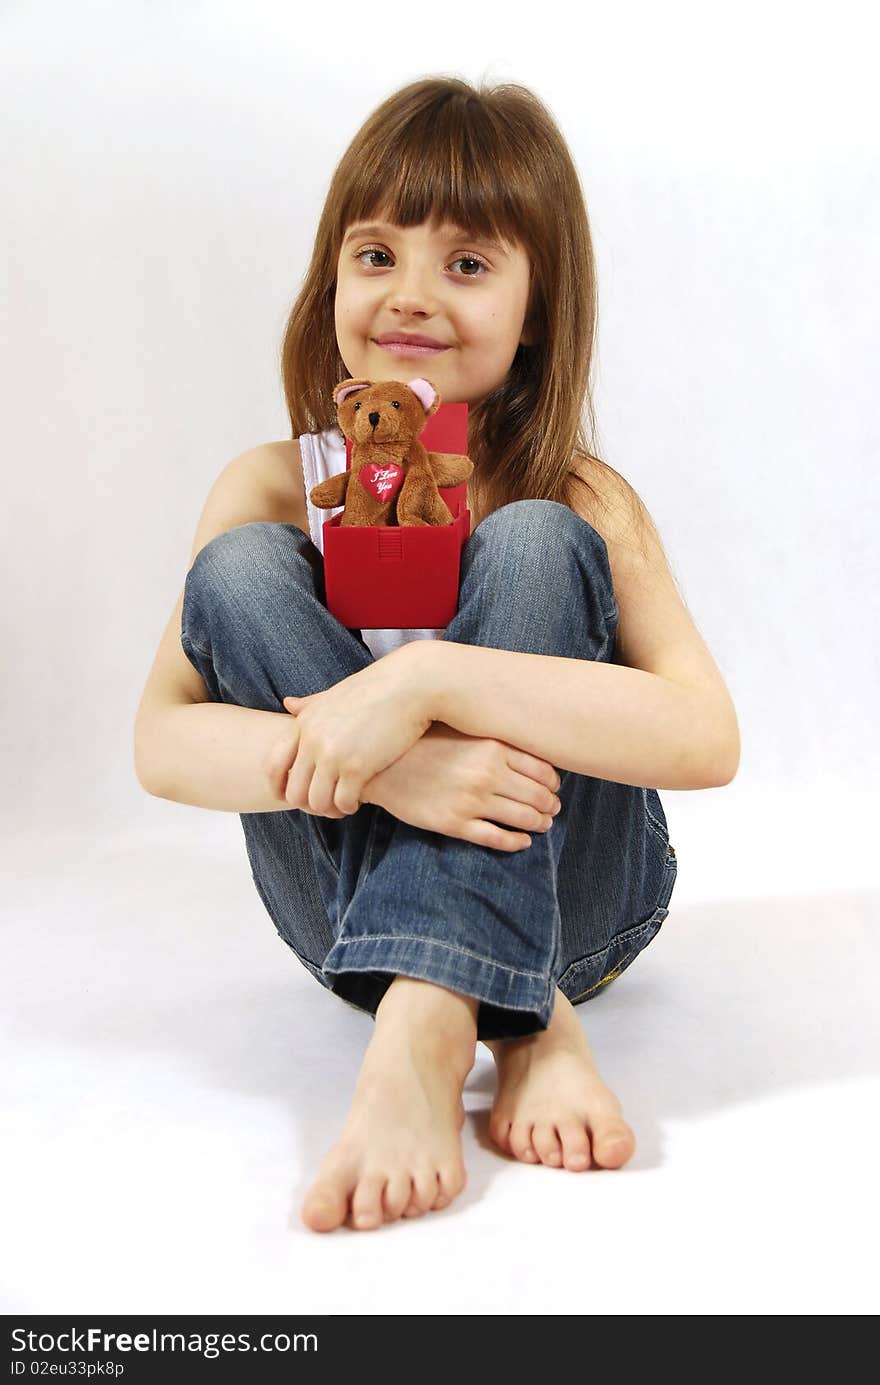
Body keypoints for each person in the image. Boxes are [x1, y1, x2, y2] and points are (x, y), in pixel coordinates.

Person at [134, 76, 740, 1235]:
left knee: (527, 542)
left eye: (467, 264)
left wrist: (424, 684)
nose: (410, 294)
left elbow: (705, 737)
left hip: (588, 905)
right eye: (376, 255)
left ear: (537, 313)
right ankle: (528, 1013)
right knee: (242, 569)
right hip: (342, 911)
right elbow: (159, 742)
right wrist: (395, 767)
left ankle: (430, 1021)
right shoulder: (270, 484)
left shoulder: (576, 494)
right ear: (330, 285)